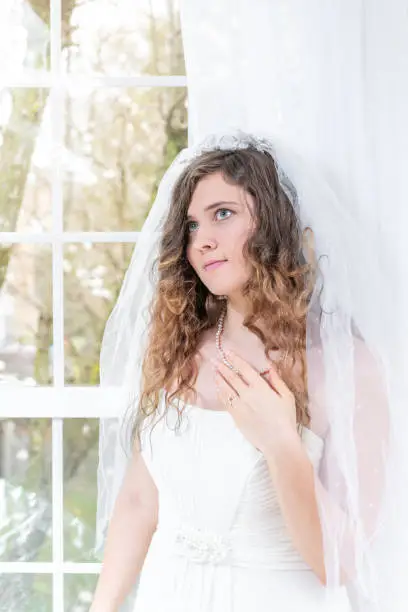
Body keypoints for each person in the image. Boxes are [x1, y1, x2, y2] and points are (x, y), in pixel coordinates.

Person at [90, 131, 393, 612]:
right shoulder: (176, 350)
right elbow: (139, 501)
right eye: (190, 226)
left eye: (223, 214)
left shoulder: (344, 366)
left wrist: (280, 442)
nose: (201, 240)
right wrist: (101, 607)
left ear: (277, 224)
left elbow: (338, 563)